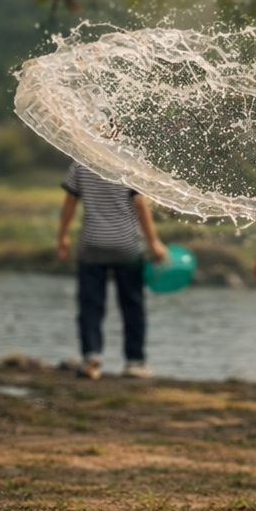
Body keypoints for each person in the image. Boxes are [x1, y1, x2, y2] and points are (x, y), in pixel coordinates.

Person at [57, 161, 167, 378]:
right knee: (132, 304)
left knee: (90, 304)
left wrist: (63, 236)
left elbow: (70, 201)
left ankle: (91, 357)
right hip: (126, 246)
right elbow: (140, 205)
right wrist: (154, 242)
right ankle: (135, 362)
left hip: (92, 245)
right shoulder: (127, 165)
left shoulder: (80, 165)